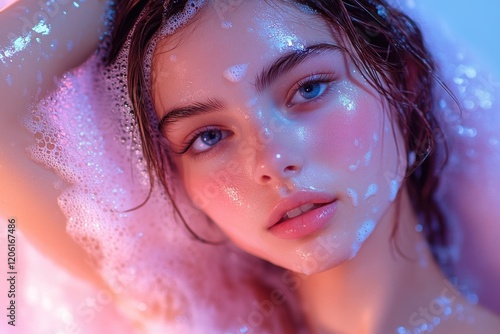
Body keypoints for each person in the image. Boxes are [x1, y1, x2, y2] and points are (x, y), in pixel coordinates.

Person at [1, 0, 499, 333]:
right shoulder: (193, 314)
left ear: (404, 83)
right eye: (209, 137)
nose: (272, 161)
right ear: (183, 188)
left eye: (309, 88)